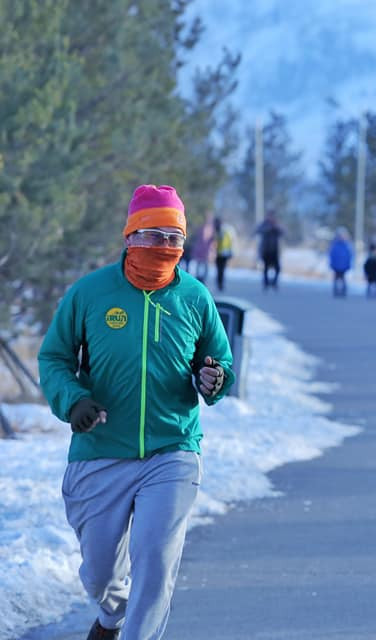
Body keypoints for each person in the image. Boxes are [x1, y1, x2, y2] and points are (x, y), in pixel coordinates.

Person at [37, 184, 235, 640]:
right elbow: (54, 358)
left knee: (155, 560)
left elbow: (220, 362)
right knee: (99, 576)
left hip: (173, 450)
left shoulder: (195, 298)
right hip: (101, 448)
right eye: (152, 235)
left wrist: (216, 379)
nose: (164, 247)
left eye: (174, 237)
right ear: (129, 236)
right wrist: (74, 401)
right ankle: (112, 617)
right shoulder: (90, 292)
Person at [255, 211, 284, 290]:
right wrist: (267, 229)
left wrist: (276, 227)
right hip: (266, 250)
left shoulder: (276, 225)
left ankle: (274, 282)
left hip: (275, 251)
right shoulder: (264, 224)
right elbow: (257, 230)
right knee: (266, 268)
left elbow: (283, 232)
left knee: (277, 268)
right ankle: (266, 283)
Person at [328, 226, 353, 297]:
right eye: (340, 235)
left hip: (344, 266)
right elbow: (331, 255)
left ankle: (343, 291)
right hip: (336, 266)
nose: (342, 237)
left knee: (343, 279)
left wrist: (349, 264)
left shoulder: (347, 246)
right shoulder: (335, 245)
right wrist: (331, 264)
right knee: (336, 279)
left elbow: (350, 256)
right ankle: (336, 291)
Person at [190, 216, 215, 284]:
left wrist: (212, 250)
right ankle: (199, 279)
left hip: (206, 251)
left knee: (205, 265)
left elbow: (212, 241)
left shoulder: (211, 229)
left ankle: (202, 279)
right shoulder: (202, 228)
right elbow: (198, 239)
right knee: (200, 265)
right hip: (201, 250)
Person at [213, 217, 235, 291]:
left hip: (223, 253)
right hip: (219, 253)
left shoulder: (223, 231)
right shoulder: (218, 231)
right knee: (220, 270)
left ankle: (220, 284)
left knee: (221, 270)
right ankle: (220, 284)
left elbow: (229, 242)